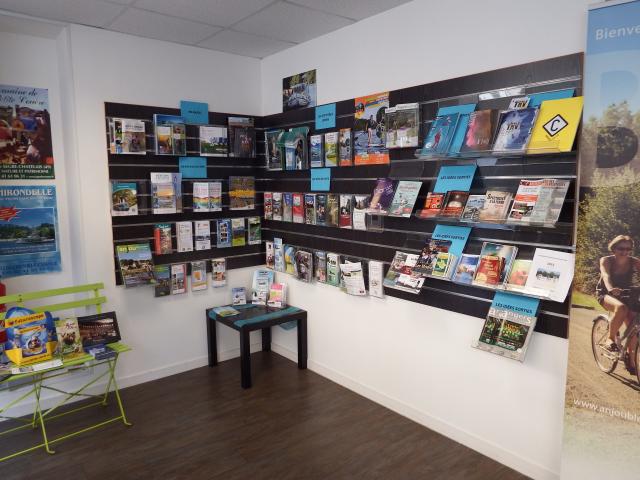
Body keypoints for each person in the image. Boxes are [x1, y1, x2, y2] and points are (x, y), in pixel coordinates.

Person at [596, 235, 640, 374]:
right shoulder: (606, 260)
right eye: (621, 248)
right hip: (606, 293)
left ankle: (631, 359)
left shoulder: (634, 261)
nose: (625, 251)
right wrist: (610, 288)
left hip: (627, 294)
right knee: (621, 308)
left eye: (628, 249)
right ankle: (610, 339)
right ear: (614, 248)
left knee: (634, 325)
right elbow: (606, 275)